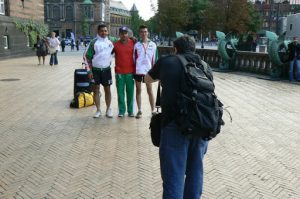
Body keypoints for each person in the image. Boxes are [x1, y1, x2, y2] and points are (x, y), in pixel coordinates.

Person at [144, 35, 209, 199]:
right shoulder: (205, 66)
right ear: (194, 49)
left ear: (175, 49)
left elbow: (147, 79)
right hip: (202, 124)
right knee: (195, 171)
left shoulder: (168, 61)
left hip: (175, 125)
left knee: (174, 175)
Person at [84, 24, 114, 118]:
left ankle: (108, 109)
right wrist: (89, 71)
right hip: (95, 71)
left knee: (107, 90)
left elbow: (124, 40)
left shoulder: (111, 41)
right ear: (98, 32)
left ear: (107, 32)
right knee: (96, 90)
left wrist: (132, 39)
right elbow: (86, 57)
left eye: (105, 31)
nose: (104, 32)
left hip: (106, 70)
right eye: (102, 31)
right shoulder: (93, 42)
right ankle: (98, 110)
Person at [133, 25, 157, 118]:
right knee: (138, 90)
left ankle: (153, 110)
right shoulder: (136, 45)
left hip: (148, 72)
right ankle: (139, 110)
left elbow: (155, 59)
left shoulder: (153, 44)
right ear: (139, 33)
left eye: (145, 31)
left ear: (148, 33)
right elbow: (134, 59)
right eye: (142, 32)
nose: (144, 33)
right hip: (138, 71)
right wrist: (136, 69)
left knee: (150, 91)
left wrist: (154, 72)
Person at [113, 26, 135, 117]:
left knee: (130, 93)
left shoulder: (134, 43)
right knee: (120, 93)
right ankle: (121, 111)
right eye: (122, 33)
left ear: (128, 34)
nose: (124, 35)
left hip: (130, 73)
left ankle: (130, 111)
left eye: (125, 33)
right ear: (119, 34)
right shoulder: (115, 45)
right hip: (119, 73)